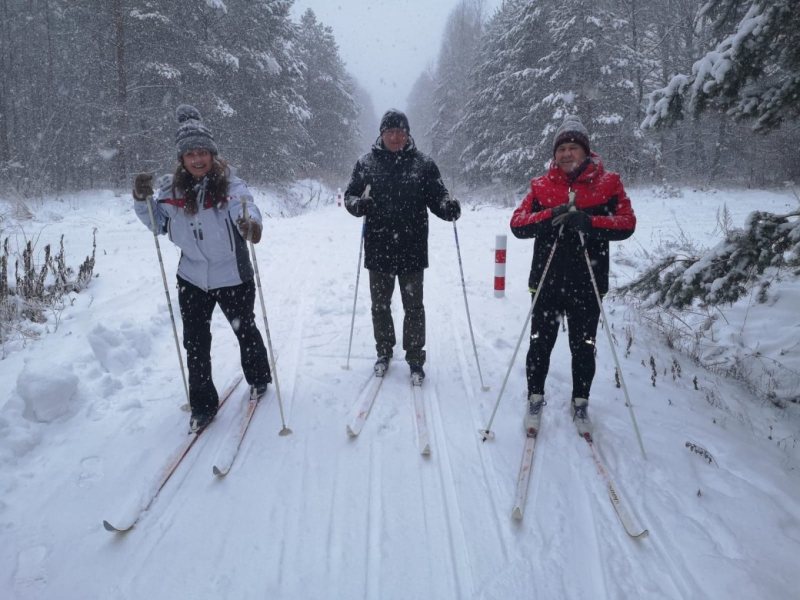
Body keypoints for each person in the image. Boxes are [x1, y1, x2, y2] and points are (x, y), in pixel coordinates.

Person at [132, 104, 272, 433]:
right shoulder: (171, 190)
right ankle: (203, 405)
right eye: (190, 154)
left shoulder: (230, 185)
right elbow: (157, 223)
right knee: (195, 343)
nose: (197, 159)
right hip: (192, 277)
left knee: (245, 330)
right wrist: (141, 199)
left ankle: (259, 377)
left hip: (232, 274)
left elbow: (246, 206)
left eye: (203, 153)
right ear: (182, 158)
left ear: (212, 154)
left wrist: (250, 224)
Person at [509, 115, 636, 439]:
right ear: (555, 154)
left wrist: (590, 223)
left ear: (586, 151)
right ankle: (534, 397)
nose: (566, 154)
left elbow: (627, 223)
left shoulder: (609, 183)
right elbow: (518, 224)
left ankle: (581, 402)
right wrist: (550, 215)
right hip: (547, 281)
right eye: (561, 149)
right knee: (540, 343)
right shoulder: (540, 185)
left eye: (573, 148)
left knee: (584, 346)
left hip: (587, 282)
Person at [344, 109, 461, 385]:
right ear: (381, 134)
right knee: (380, 306)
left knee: (414, 307)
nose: (395, 137)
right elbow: (350, 196)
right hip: (378, 248)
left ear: (408, 134)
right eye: (390, 132)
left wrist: (448, 208)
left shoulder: (424, 164)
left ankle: (415, 357)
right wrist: (359, 205)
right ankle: (384, 351)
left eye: (400, 132)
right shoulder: (366, 164)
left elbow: (438, 197)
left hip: (412, 248)